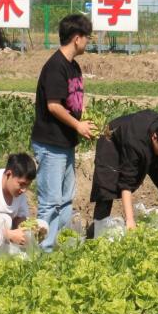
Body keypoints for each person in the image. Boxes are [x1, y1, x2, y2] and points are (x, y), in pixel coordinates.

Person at [31, 13, 95, 250]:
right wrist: (78, 126)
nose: (88, 42)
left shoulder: (74, 67)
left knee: (66, 199)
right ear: (77, 38)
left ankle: (60, 247)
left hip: (66, 143)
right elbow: (54, 105)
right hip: (50, 144)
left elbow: (76, 100)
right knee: (50, 201)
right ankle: (43, 252)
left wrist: (86, 119)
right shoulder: (55, 67)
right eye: (87, 37)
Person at [88, 110, 158, 233]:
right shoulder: (135, 142)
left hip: (142, 140)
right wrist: (130, 220)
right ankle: (97, 232)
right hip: (111, 141)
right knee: (106, 189)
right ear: (154, 137)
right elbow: (126, 182)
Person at [0, 153, 46, 258]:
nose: (24, 190)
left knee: (42, 225)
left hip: (6, 238)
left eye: (27, 185)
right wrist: (9, 235)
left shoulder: (18, 189)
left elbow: (20, 217)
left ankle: (18, 258)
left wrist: (24, 229)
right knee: (4, 220)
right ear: (9, 174)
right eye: (21, 184)